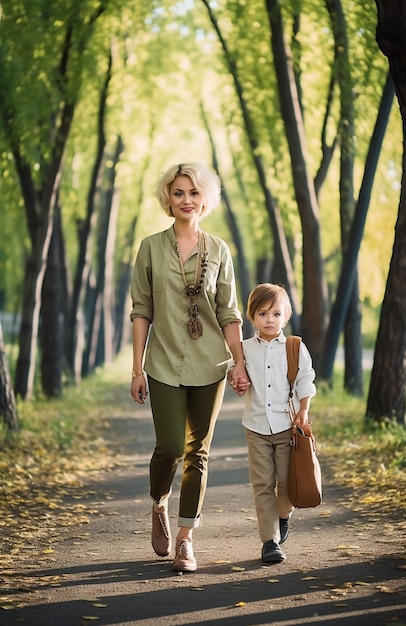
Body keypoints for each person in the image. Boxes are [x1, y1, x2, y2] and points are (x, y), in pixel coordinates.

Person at [130, 162, 249, 573]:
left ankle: (185, 538)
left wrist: (238, 363)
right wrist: (136, 368)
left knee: (198, 453)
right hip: (162, 362)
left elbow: (230, 313)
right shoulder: (149, 247)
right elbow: (141, 310)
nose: (186, 200)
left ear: (206, 199)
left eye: (194, 193)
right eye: (179, 192)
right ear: (169, 198)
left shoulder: (219, 250)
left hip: (210, 362)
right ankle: (159, 502)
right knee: (169, 446)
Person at [230, 283, 316, 564]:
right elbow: (234, 373)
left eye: (276, 314)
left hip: (286, 427)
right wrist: (237, 380)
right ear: (252, 316)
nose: (270, 319)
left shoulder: (295, 346)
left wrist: (304, 409)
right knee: (262, 484)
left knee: (286, 483)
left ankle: (282, 515)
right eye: (263, 313)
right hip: (255, 427)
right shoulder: (243, 349)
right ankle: (270, 541)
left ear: (286, 317)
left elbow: (306, 379)